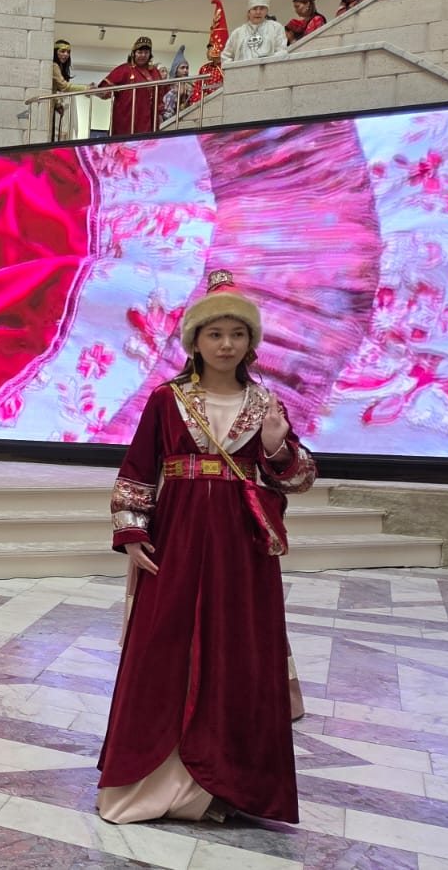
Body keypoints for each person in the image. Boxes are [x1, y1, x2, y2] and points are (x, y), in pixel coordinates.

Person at [97, 270, 315, 825]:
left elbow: (297, 478)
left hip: (241, 548)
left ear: (251, 342)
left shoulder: (265, 404)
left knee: (236, 650)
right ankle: (155, 781)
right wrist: (133, 534)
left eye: (237, 334)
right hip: (177, 537)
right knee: (164, 647)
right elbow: (137, 470)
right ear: (194, 341)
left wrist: (275, 447)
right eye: (214, 334)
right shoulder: (167, 400)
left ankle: (226, 783)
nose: (225, 344)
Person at [94, 36, 166, 136]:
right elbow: (105, 90)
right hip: (127, 120)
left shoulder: (155, 72)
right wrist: (95, 90)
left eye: (146, 52)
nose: (143, 55)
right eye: (140, 52)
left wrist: (160, 113)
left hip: (150, 120)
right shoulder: (124, 69)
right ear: (133, 53)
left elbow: (160, 95)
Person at [223, 0, 287, 63]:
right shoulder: (237, 33)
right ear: (249, 12)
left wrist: (264, 61)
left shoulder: (276, 28)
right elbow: (225, 57)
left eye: (262, 8)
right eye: (254, 9)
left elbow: (282, 51)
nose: (258, 12)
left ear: (266, 11)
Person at [51, 39, 90, 141]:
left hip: (56, 106)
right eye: (62, 51)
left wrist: (57, 104)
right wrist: (86, 88)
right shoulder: (54, 65)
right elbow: (65, 87)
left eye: (68, 52)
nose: (66, 54)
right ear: (55, 52)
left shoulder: (59, 67)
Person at [161, 48, 192, 123]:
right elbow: (166, 113)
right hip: (171, 122)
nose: (185, 70)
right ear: (175, 70)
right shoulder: (169, 86)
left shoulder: (191, 86)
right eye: (182, 68)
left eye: (187, 68)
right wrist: (178, 95)